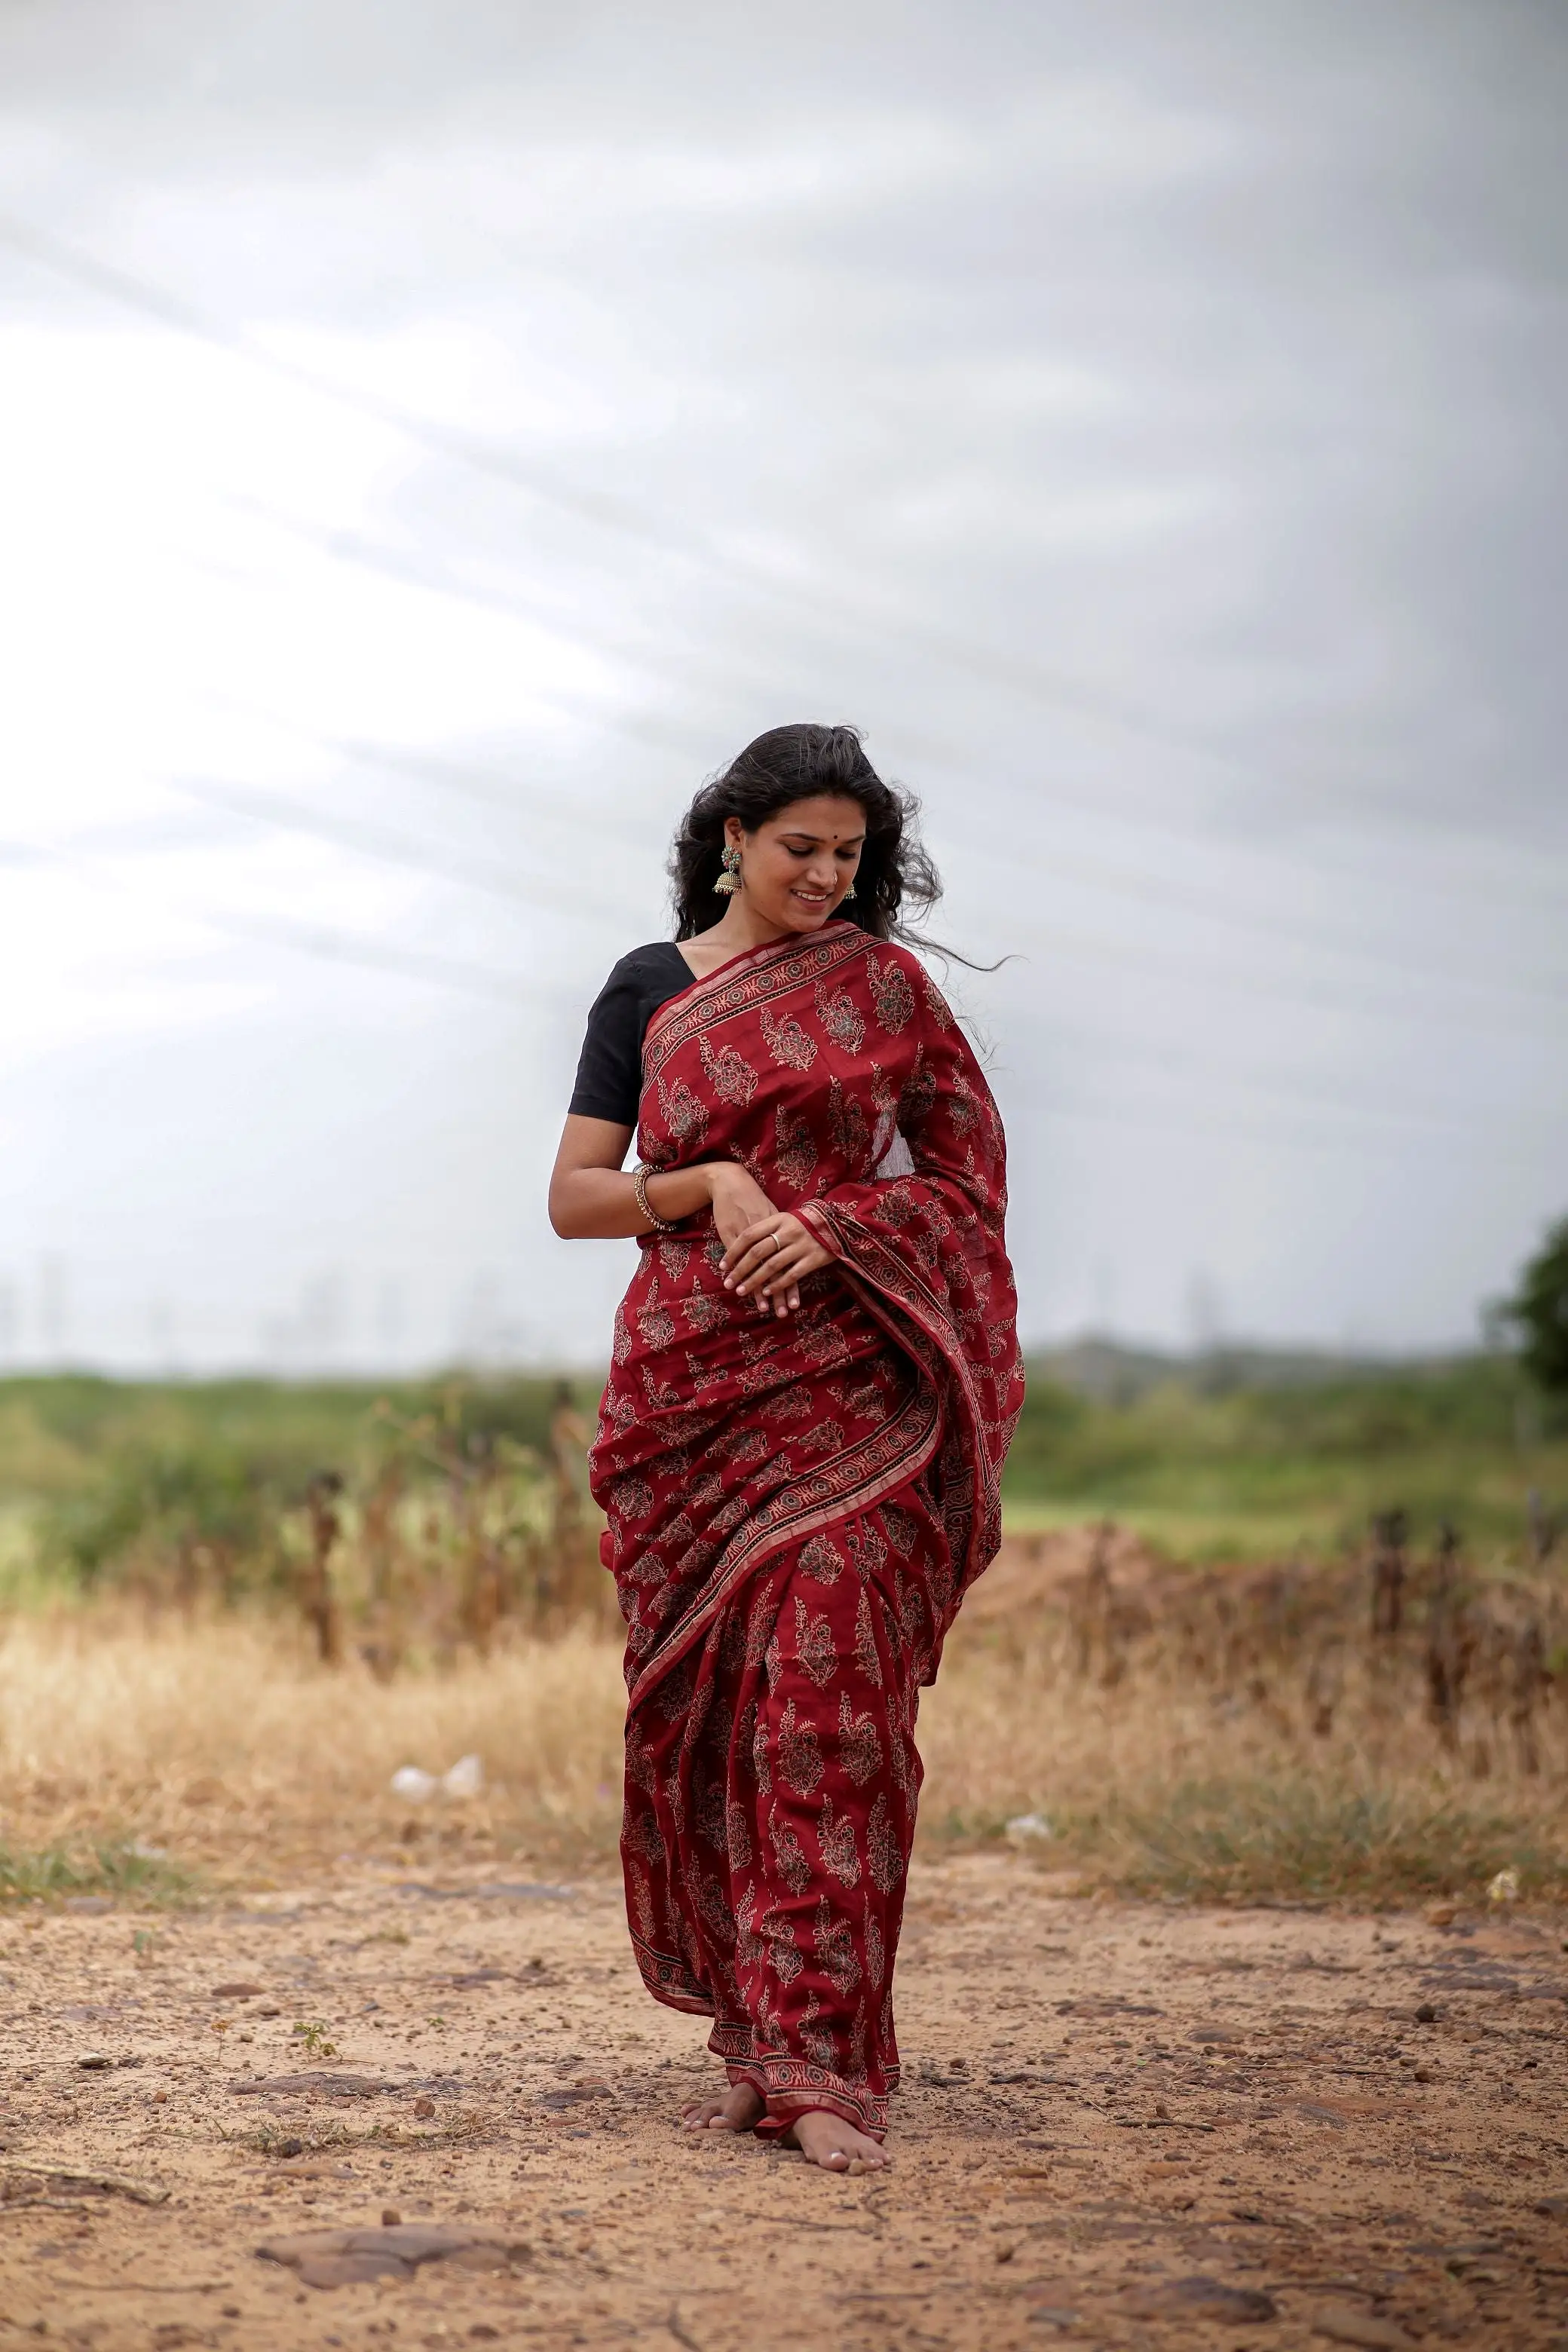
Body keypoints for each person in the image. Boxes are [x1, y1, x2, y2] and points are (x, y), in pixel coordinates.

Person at [548, 723, 1024, 2172]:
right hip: (692, 1403)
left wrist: (835, 1224)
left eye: (850, 856)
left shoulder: (889, 993)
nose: (826, 877)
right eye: (800, 848)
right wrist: (707, 1183)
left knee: (833, 1716)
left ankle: (822, 2061)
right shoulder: (647, 988)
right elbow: (574, 1197)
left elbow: (966, 1187)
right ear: (733, 840)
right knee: (716, 1725)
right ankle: (757, 2042)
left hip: (855, 1401)